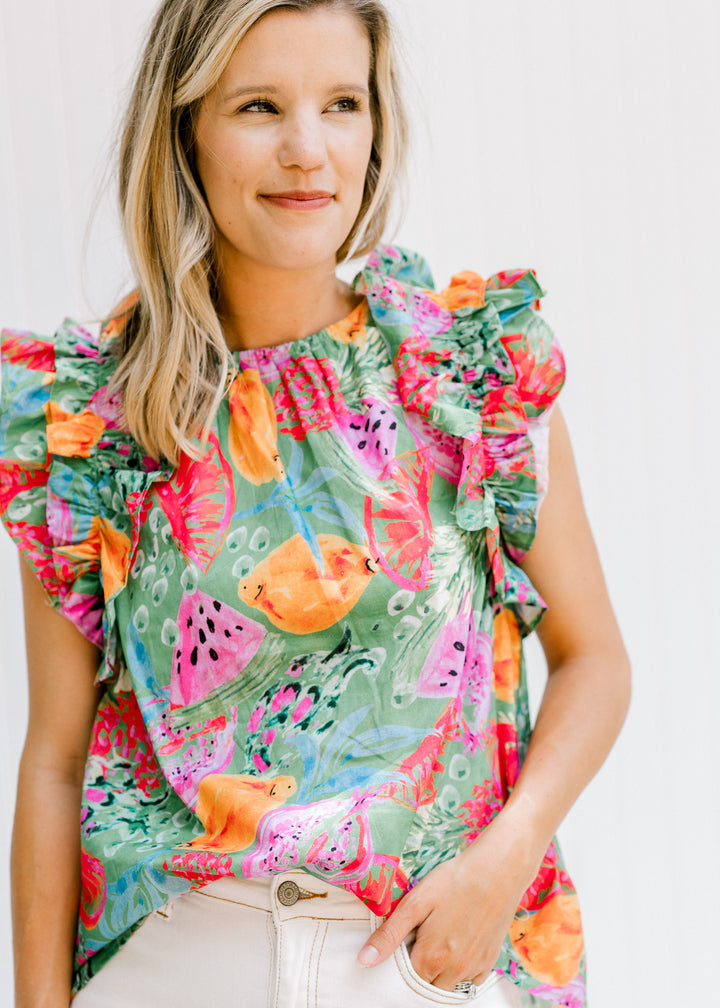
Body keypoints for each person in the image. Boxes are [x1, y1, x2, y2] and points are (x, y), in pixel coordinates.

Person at [1, 1, 630, 1006]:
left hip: (419, 966)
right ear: (185, 132)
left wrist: (505, 858)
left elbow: (597, 661)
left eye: (341, 103)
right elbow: (56, 759)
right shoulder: (87, 421)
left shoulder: (470, 368)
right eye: (259, 106)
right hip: (176, 969)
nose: (307, 150)